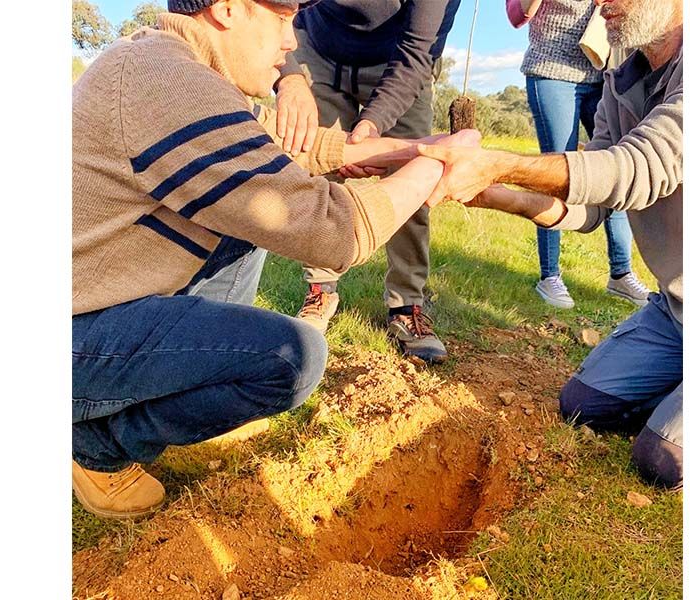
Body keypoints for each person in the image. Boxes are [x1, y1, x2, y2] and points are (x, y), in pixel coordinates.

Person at [72, 0, 479, 519]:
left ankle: (184, 389)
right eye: (282, 18)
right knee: (292, 358)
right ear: (227, 10)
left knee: (246, 223)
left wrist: (417, 149)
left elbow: (281, 152)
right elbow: (336, 232)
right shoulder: (170, 83)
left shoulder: (172, 65)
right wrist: (437, 170)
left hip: (91, 301)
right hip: (74, 336)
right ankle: (96, 443)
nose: (292, 44)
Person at [416, 0, 683, 488]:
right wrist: (497, 195)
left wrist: (499, 162)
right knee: (583, 405)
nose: (600, 2)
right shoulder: (620, 73)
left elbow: (637, 168)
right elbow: (592, 204)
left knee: (661, 462)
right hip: (678, 310)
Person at [270, 0, 462, 364]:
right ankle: (320, 289)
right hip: (316, 50)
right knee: (316, 174)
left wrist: (370, 128)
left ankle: (406, 304)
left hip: (399, 62)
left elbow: (418, 52)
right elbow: (275, 8)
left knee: (416, 176)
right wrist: (290, 76)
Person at [509, 0, 650, 309]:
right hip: (552, 72)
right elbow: (516, 15)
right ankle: (550, 276)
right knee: (556, 172)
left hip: (604, 72)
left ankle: (621, 273)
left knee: (617, 169)